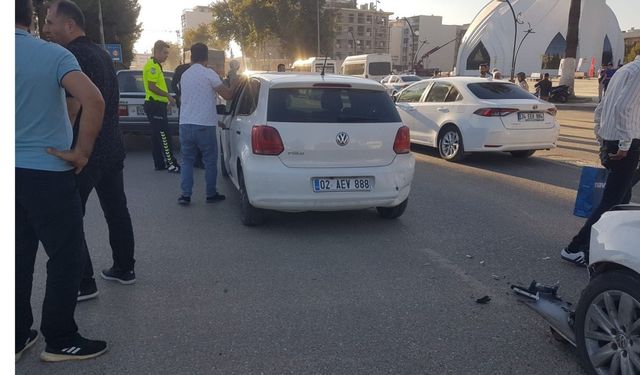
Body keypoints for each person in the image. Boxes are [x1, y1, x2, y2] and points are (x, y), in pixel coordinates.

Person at [15, 0, 108, 361]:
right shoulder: (52, 55)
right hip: (48, 173)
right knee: (66, 256)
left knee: (17, 257)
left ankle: (16, 335)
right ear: (32, 18)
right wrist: (81, 151)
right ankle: (60, 338)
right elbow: (93, 100)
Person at [43, 0, 137, 301]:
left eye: (49, 22)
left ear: (69, 25)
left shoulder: (71, 55)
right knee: (117, 211)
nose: (46, 29)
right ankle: (125, 269)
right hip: (112, 147)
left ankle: (84, 283)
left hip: (86, 151)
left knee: (70, 217)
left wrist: (65, 146)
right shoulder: (100, 53)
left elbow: (73, 107)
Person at [560, 55, 640, 266]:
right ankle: (574, 248)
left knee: (621, 198)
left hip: (615, 140)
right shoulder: (638, 72)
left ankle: (607, 246)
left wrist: (601, 135)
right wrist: (624, 145)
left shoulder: (625, 70)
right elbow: (623, 108)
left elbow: (602, 107)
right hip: (626, 145)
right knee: (612, 200)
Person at [177, 43, 238, 205]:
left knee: (187, 160)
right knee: (210, 160)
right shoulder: (209, 74)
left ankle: (185, 195)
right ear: (206, 57)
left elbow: (192, 100)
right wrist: (237, 81)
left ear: (191, 57)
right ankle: (211, 194)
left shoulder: (185, 75)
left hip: (185, 124)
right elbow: (228, 95)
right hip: (204, 125)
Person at [143, 40, 180, 173]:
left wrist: (165, 100)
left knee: (156, 136)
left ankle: (159, 163)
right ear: (157, 52)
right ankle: (171, 164)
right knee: (164, 135)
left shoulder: (156, 66)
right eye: (164, 53)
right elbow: (152, 87)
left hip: (156, 104)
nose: (166, 56)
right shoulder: (153, 66)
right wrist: (168, 96)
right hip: (155, 105)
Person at [172, 61, 205, 169]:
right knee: (197, 130)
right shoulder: (190, 70)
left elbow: (173, 84)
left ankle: (191, 160)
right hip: (193, 106)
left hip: (187, 106)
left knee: (188, 132)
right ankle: (197, 160)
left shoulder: (181, 69)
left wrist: (179, 95)